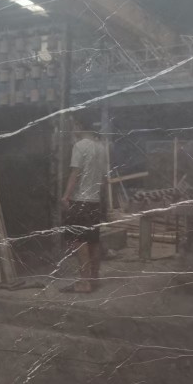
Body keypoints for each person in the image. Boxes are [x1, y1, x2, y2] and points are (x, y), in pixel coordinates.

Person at [61, 115, 108, 293]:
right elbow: (103, 179)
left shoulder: (79, 146)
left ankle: (84, 282)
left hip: (80, 200)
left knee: (79, 242)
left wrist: (66, 196)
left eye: (74, 125)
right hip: (95, 201)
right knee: (93, 241)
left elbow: (75, 173)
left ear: (79, 125)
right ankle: (94, 279)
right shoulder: (101, 148)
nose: (73, 129)